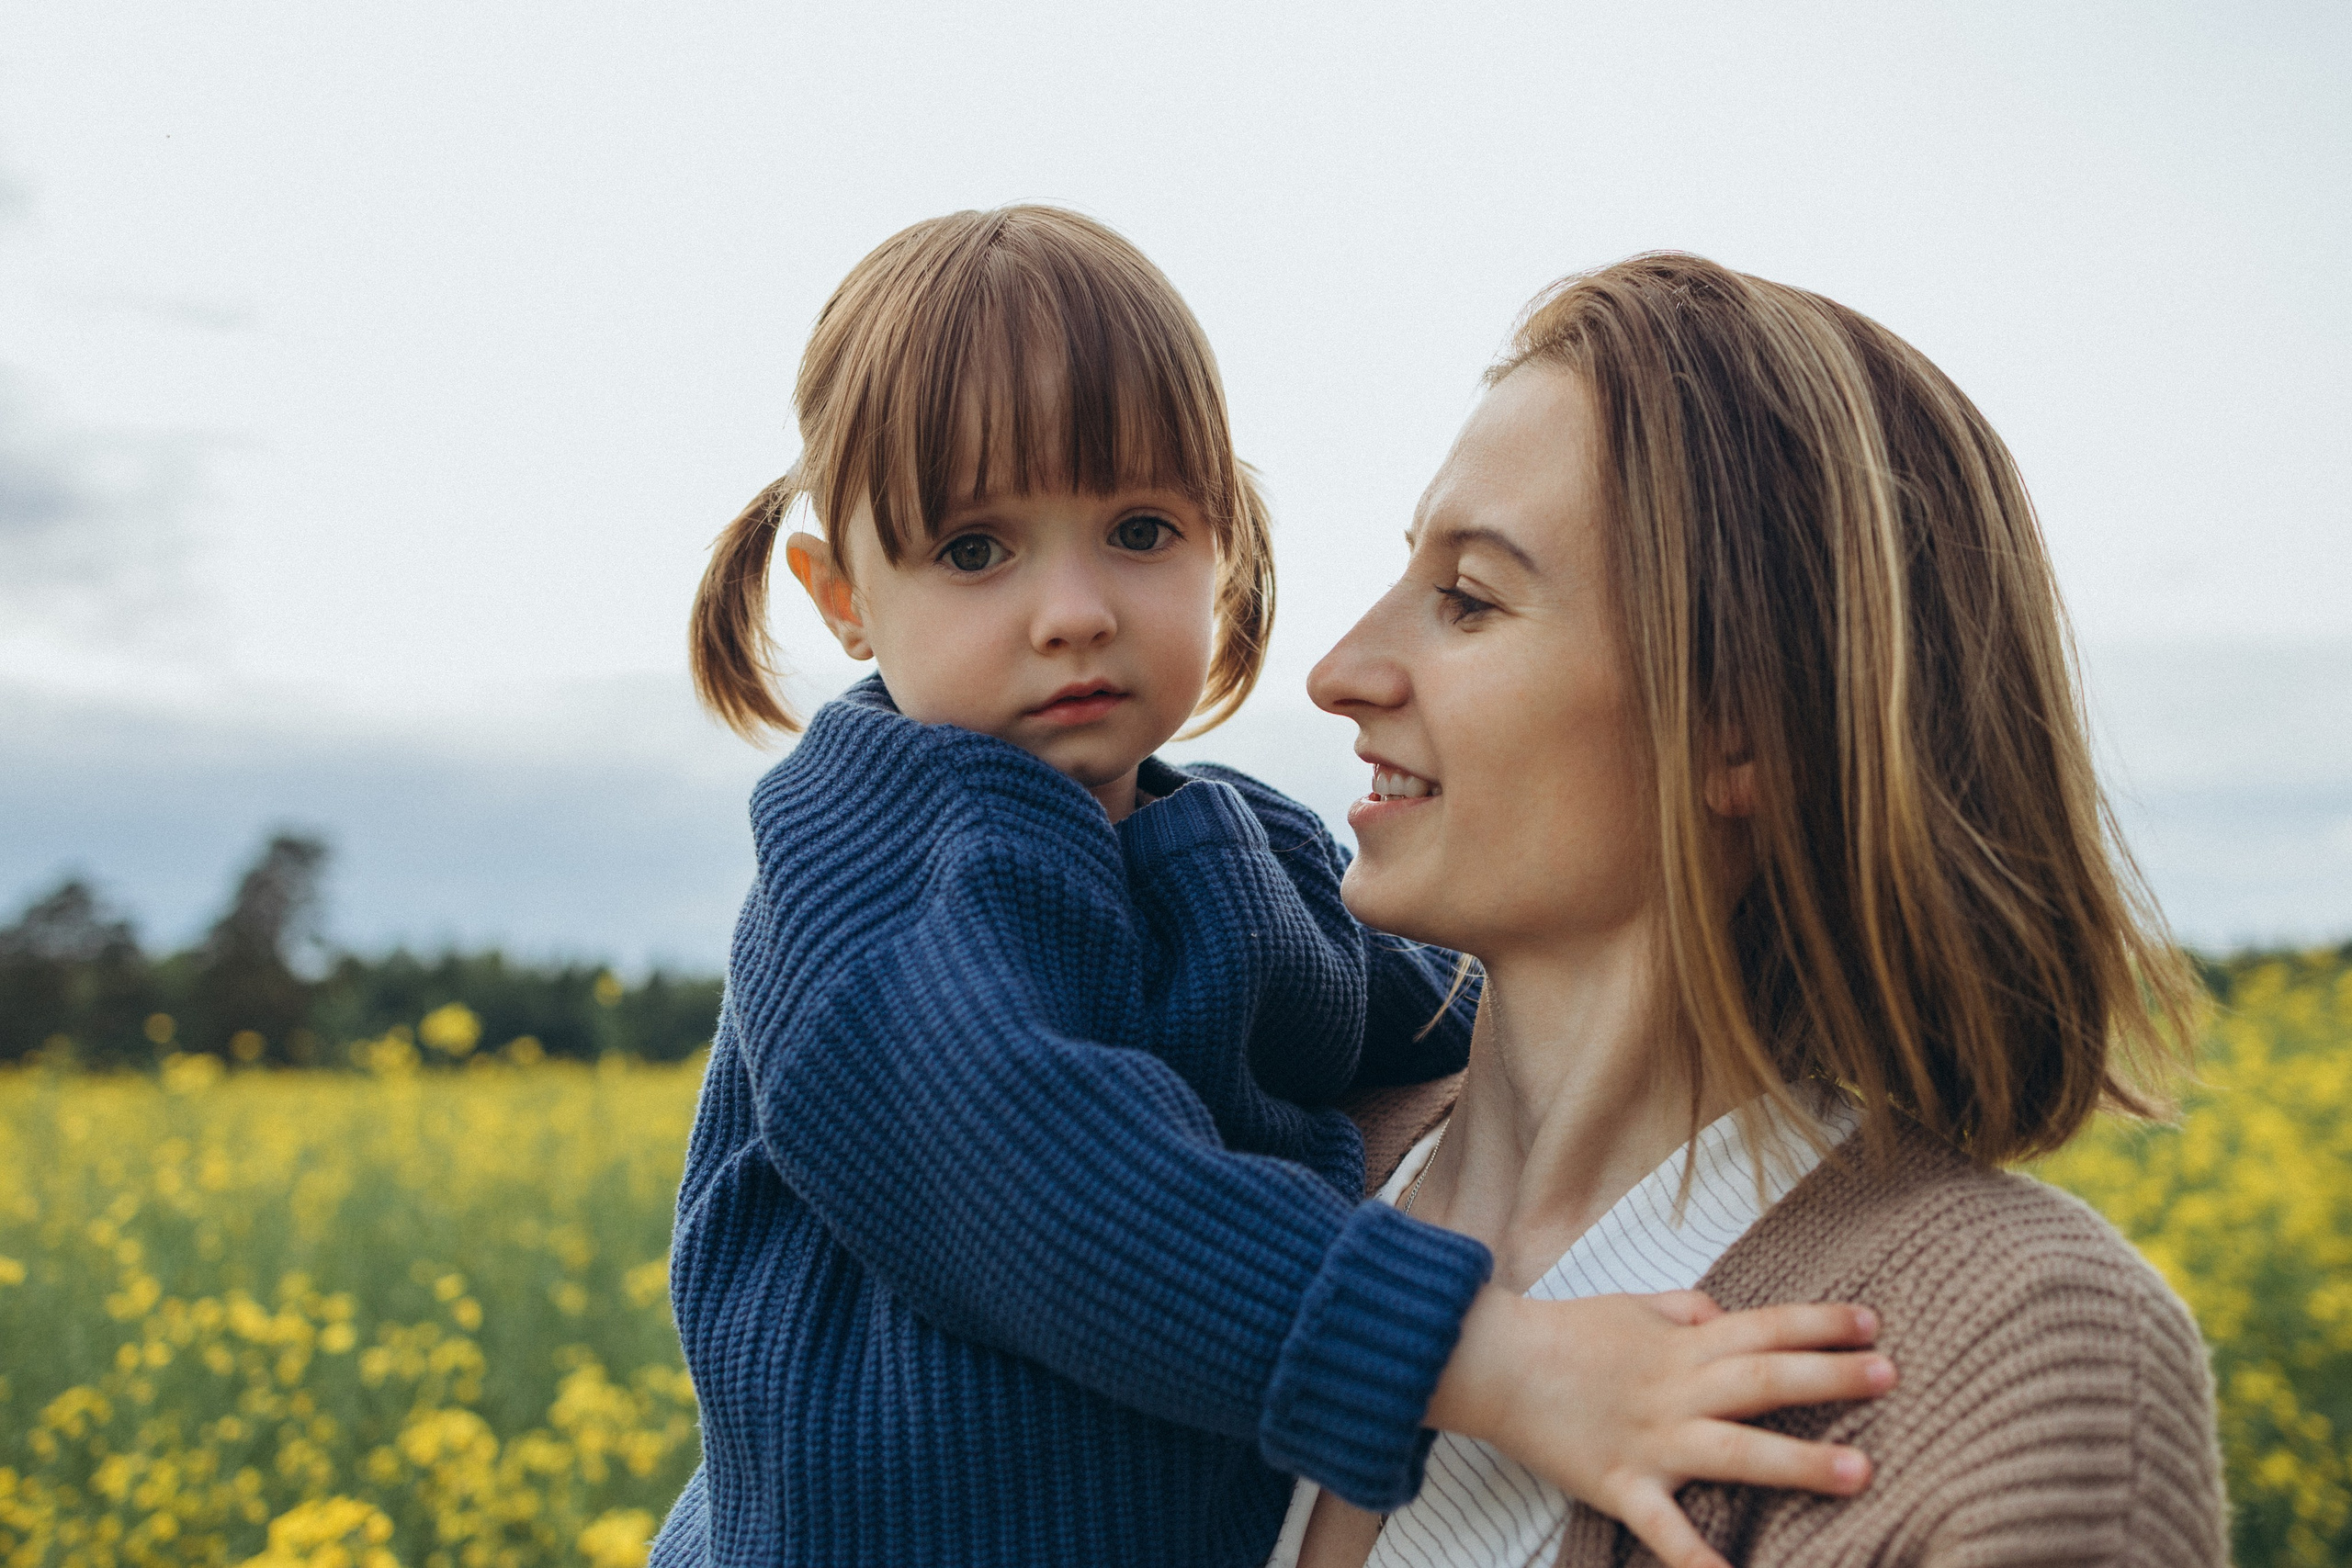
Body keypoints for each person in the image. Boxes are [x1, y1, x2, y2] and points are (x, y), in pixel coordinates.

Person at [652, 209, 1894, 1568]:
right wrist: (1501, 1365)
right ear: (842, 598)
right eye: (973, 551)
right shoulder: (874, 864)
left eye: (1138, 529)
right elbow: (1053, 1181)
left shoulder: (1241, 853)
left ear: (1224, 540)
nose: (1074, 609)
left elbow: (1460, 1021)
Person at [1285, 253, 2228, 1568]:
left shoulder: (2022, 1358)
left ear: (1745, 726)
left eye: (1470, 599)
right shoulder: (1253, 1169)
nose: (1339, 672)